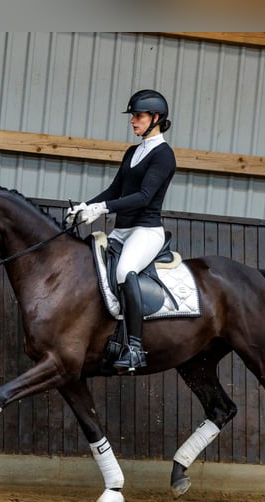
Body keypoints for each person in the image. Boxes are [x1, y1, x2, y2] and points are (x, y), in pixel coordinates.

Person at [67, 89, 176, 373]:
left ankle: (136, 348)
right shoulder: (133, 152)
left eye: (138, 116)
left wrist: (102, 208)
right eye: (133, 117)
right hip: (123, 230)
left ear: (156, 118)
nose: (133, 121)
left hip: (146, 231)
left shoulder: (164, 156)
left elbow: (143, 196)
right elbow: (115, 190)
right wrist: (84, 206)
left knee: (123, 270)